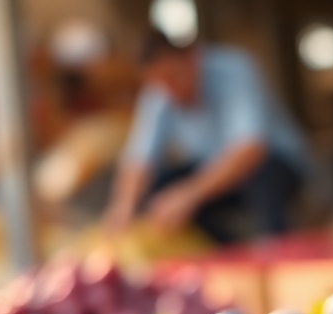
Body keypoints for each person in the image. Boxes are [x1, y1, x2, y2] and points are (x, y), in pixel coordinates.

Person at [104, 31, 309, 243]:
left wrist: (190, 194)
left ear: (192, 59)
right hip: (212, 172)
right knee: (158, 192)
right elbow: (140, 157)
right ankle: (227, 251)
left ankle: (278, 246)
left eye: (172, 78)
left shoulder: (234, 69)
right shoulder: (160, 92)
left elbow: (251, 149)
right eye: (159, 84)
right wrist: (123, 207)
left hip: (276, 164)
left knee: (261, 176)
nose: (168, 91)